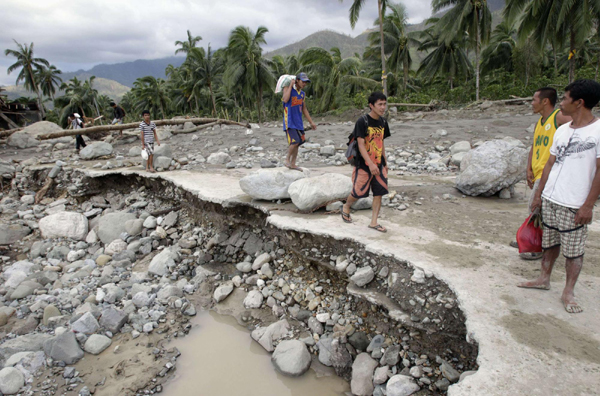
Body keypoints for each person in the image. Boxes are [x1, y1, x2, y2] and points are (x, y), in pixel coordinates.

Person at [519, 79, 600, 313]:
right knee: (550, 242)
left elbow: (599, 172)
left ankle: (568, 291)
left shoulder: (597, 131)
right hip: (551, 199)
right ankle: (544, 278)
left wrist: (588, 205)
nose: (561, 102)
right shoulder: (563, 130)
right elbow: (549, 164)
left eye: (565, 98)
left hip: (574, 203)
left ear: (580, 102)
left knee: (573, 251)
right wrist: (539, 195)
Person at [517, 88, 571, 259]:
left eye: (534, 100)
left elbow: (580, 123)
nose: (532, 103)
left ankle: (536, 246)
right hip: (538, 171)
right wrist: (529, 168)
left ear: (545, 101)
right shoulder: (540, 122)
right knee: (535, 209)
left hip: (550, 173)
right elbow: (535, 145)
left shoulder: (557, 117)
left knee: (537, 208)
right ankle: (530, 239)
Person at [341, 92, 390, 233]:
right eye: (379, 104)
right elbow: (361, 145)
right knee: (358, 193)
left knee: (378, 193)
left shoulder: (383, 122)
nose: (383, 107)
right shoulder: (363, 122)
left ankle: (374, 222)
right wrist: (371, 164)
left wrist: (385, 161)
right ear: (371, 105)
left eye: (384, 104)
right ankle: (346, 206)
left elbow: (381, 142)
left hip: (379, 164)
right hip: (364, 165)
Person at [281, 72, 317, 170]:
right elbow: (285, 99)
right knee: (295, 141)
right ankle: (287, 159)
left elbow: (304, 109)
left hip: (298, 122)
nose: (304, 84)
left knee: (299, 142)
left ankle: (293, 163)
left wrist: (311, 122)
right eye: (303, 81)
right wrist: (290, 86)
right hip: (289, 121)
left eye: (306, 82)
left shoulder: (302, 94)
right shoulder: (288, 89)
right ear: (297, 80)